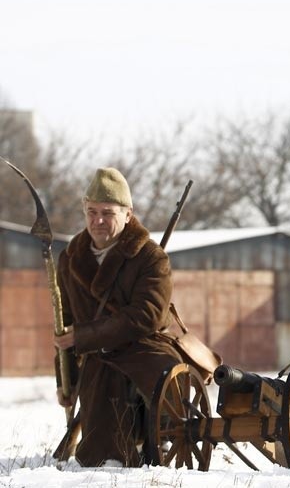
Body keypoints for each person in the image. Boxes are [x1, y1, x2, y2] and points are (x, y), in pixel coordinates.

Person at [53, 167, 184, 467]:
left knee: (161, 378)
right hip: (97, 359)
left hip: (145, 349)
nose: (98, 220)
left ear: (128, 214)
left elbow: (147, 315)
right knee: (99, 459)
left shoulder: (151, 257)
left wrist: (85, 336)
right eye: (91, 211)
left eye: (108, 213)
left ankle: (158, 438)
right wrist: (66, 380)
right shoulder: (70, 258)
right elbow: (65, 326)